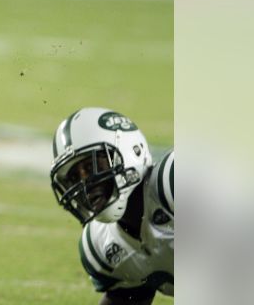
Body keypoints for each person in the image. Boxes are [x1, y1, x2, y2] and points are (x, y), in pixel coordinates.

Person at [50, 108, 174, 303]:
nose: (85, 185)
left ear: (130, 152)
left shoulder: (173, 183)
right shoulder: (101, 244)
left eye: (91, 167)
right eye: (75, 177)